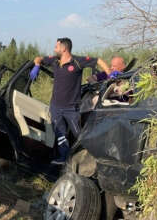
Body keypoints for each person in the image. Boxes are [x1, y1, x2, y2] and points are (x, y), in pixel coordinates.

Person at [30, 37, 110, 165]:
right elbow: (38, 58)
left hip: (72, 109)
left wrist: (109, 74)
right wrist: (37, 66)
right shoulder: (54, 61)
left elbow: (99, 60)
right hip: (55, 107)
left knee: (79, 135)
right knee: (60, 134)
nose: (54, 48)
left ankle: (93, 159)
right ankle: (64, 158)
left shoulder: (78, 61)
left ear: (64, 48)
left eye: (56, 46)